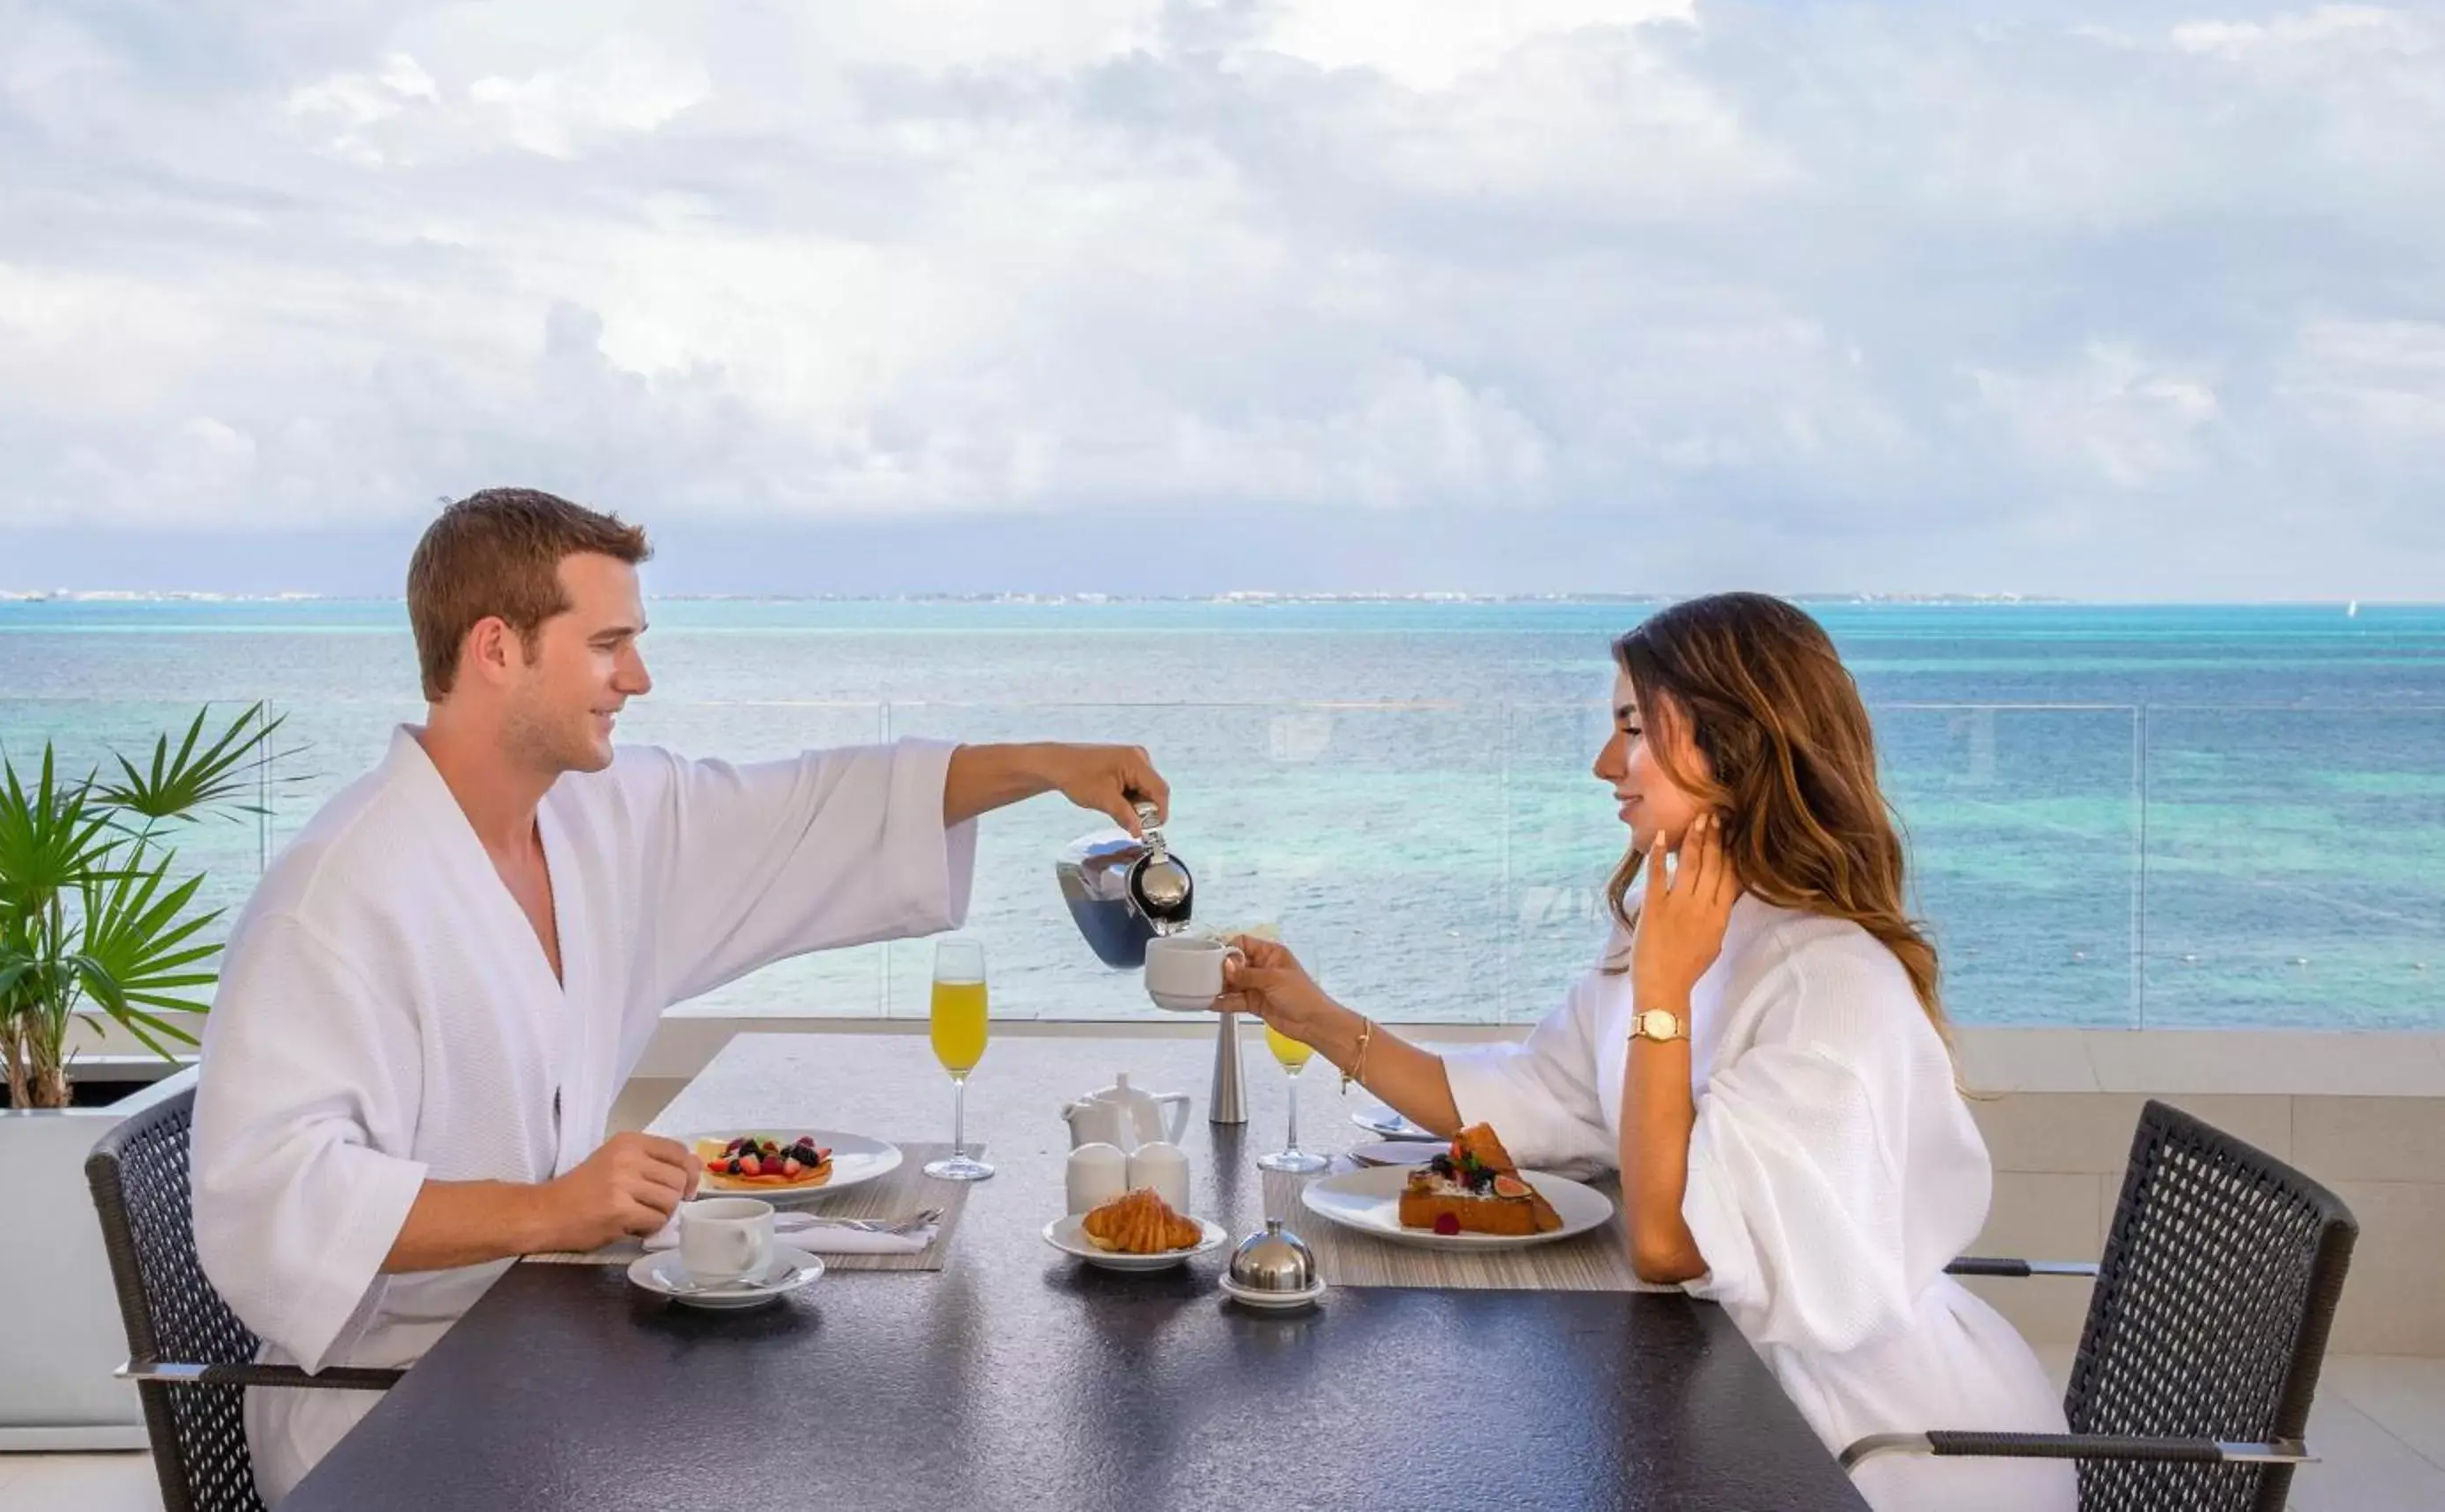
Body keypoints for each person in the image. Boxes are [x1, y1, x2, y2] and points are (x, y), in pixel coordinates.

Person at [191, 489, 1169, 1505]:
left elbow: (814, 807)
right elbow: (272, 1201)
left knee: (889, 1441)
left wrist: (1048, 764)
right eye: (608, 642)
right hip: (397, 1415)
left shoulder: (592, 817)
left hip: (544, 1349)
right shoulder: (337, 899)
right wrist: (550, 1208)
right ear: (495, 647)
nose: (639, 677)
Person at [1215, 593, 2073, 1512]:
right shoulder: (1692, 936)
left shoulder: (1827, 983)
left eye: (1632, 726)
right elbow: (1514, 1096)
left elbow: (1669, 1243)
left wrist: (1663, 994)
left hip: (1860, 1443)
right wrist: (1313, 1014)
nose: (1602, 764)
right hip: (1710, 1387)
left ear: (1732, 743)